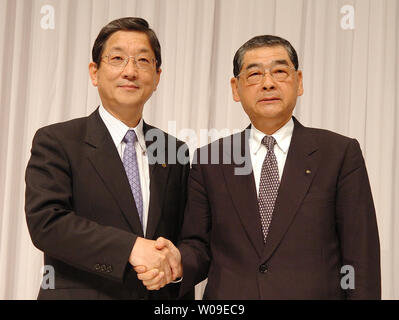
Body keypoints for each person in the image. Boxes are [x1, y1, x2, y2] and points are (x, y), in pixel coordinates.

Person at [138, 35, 381, 299]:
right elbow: (199, 246)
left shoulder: (339, 153)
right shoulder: (212, 159)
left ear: (299, 82)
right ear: (235, 88)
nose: (268, 83)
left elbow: (361, 257)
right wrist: (177, 261)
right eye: (254, 74)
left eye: (279, 71)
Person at [25, 17, 191, 300]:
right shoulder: (57, 140)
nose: (130, 71)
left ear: (157, 76)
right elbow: (47, 224)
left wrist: (174, 262)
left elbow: (185, 235)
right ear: (94, 72)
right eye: (117, 59)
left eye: (142, 61)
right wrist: (130, 247)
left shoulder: (173, 150)